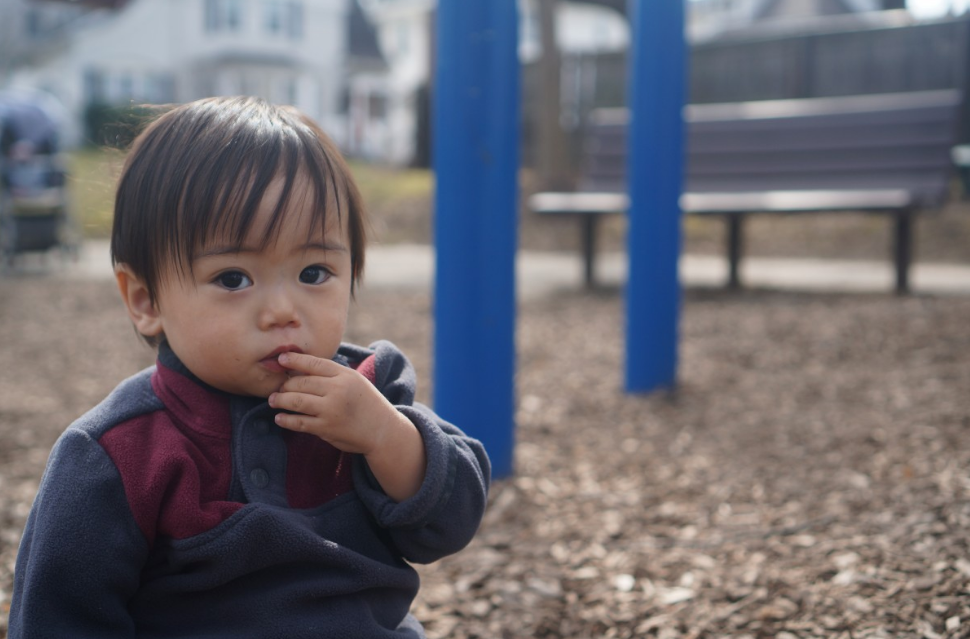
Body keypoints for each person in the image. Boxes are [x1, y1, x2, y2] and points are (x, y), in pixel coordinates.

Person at [9, 96, 491, 638]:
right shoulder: (118, 454)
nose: (284, 311)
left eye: (314, 272)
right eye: (233, 278)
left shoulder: (370, 391)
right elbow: (59, 617)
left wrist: (385, 435)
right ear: (145, 300)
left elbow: (449, 525)